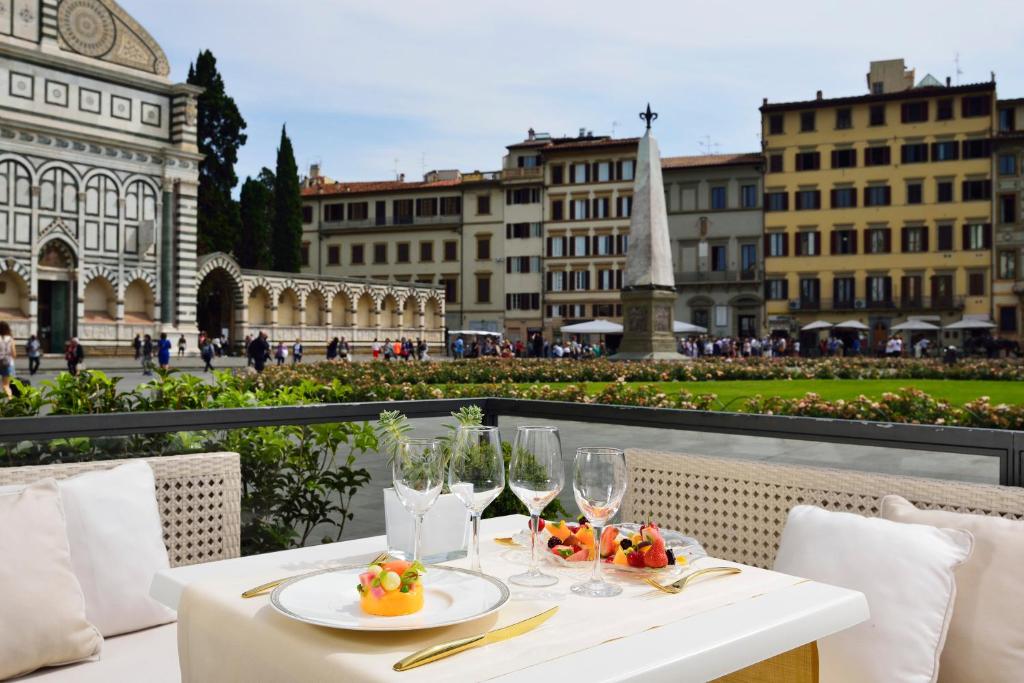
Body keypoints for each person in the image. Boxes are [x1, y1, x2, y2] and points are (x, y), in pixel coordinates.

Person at [0, 321, 15, 398]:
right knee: (6, 385)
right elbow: (14, 354)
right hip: (6, 363)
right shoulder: (10, 339)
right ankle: (10, 399)